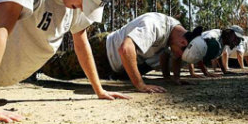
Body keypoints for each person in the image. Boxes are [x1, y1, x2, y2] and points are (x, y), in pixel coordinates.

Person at [0, 0, 130, 124]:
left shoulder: (74, 4)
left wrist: (99, 89)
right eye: (85, 2)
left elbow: (81, 45)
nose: (83, 8)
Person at [41, 13, 202, 93]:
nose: (180, 57)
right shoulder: (155, 26)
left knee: (60, 65)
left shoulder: (176, 34)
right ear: (183, 42)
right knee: (57, 67)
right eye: (182, 54)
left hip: (113, 64)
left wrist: (174, 78)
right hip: (102, 52)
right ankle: (34, 62)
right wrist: (140, 85)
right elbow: (125, 49)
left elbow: (170, 54)